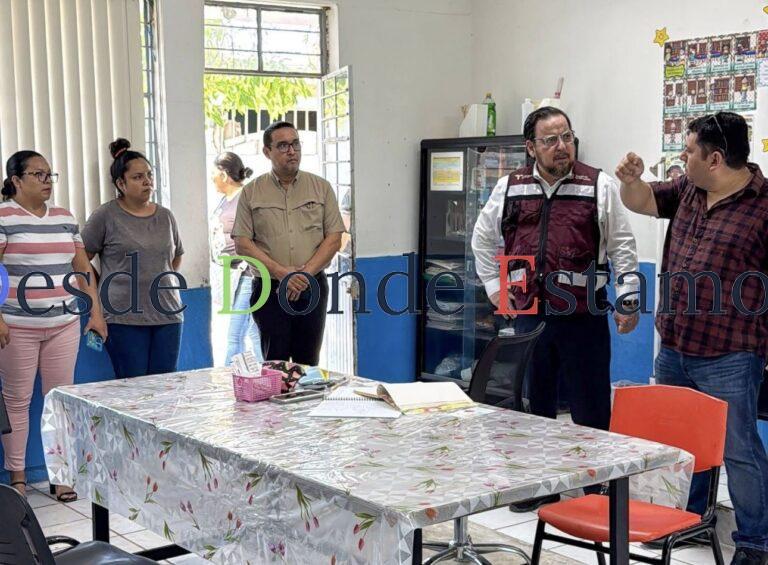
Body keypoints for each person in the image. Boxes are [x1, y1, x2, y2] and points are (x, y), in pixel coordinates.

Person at [617, 112, 768, 565]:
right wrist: (630, 180)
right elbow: (642, 201)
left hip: (732, 353)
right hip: (676, 345)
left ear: (716, 158)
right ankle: (690, 523)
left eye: (688, 150)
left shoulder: (764, 208)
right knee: (681, 444)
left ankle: (756, 542)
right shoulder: (686, 189)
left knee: (737, 449)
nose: (681, 157)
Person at [471, 106, 640, 511]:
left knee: (590, 404)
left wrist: (629, 298)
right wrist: (498, 292)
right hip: (530, 315)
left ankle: (595, 489)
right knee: (534, 402)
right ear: (531, 147)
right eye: (550, 140)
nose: (561, 147)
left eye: (566, 137)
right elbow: (482, 238)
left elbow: (622, 246)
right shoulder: (510, 187)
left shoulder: (597, 184)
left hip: (583, 315)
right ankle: (540, 485)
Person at [0, 151, 106, 501]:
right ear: (16, 180)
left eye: (50, 175)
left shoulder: (64, 216)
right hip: (16, 325)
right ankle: (17, 478)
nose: (47, 181)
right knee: (17, 401)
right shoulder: (3, 217)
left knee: (59, 400)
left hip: (63, 322)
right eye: (38, 174)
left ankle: (60, 475)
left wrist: (95, 311)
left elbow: (82, 267)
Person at [232, 122, 345, 365]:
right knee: (275, 363)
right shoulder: (252, 192)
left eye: (295, 144)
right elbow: (242, 243)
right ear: (267, 152)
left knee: (308, 362)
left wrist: (303, 275)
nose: (291, 151)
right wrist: (283, 274)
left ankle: (307, 403)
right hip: (269, 288)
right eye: (282, 146)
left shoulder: (321, 188)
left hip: (311, 285)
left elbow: (334, 238)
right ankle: (276, 404)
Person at [82, 138, 184, 378]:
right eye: (138, 177)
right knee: (133, 389)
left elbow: (176, 255)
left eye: (149, 175)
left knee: (164, 386)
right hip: (123, 318)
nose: (147, 181)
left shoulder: (165, 216)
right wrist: (101, 285)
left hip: (168, 314)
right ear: (121, 183)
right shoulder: (105, 215)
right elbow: (80, 260)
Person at [209, 151, 262, 365]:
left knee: (235, 335)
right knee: (253, 332)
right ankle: (268, 376)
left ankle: (229, 381)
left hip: (247, 274)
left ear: (223, 174)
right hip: (231, 275)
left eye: (214, 173)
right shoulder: (225, 200)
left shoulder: (245, 197)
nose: (211, 177)